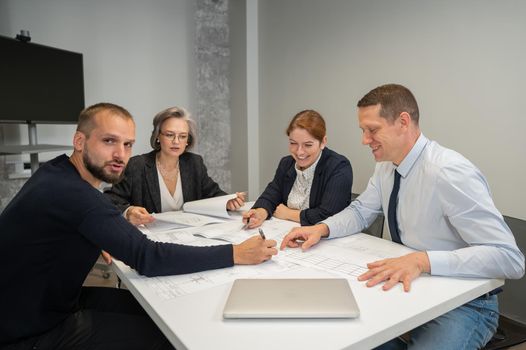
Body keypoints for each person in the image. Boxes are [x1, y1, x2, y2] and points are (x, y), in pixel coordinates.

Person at [0, 103, 277, 349]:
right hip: (29, 329)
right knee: (170, 333)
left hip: (47, 300)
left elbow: (62, 233)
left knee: (160, 310)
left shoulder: (55, 171)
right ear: (79, 141)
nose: (120, 154)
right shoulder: (80, 196)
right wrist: (236, 253)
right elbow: (148, 257)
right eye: (109, 141)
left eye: (128, 144)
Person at [281, 84, 525, 349]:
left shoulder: (448, 172)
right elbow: (361, 211)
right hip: (408, 289)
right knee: (336, 335)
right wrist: (322, 229)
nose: (364, 140)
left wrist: (423, 260)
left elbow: (510, 259)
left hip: (463, 304)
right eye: (363, 131)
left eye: (372, 130)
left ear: (403, 122)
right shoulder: (386, 166)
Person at [104, 106, 245, 226]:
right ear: (158, 136)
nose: (176, 141)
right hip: (150, 239)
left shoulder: (194, 163)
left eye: (182, 136)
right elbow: (111, 200)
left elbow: (213, 193)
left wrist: (227, 201)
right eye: (170, 135)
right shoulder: (137, 165)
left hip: (189, 236)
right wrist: (128, 212)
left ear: (188, 141)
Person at [242, 109, 353, 228]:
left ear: (323, 142)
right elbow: (271, 195)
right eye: (293, 143)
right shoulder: (287, 163)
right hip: (285, 231)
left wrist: (289, 214)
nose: (299, 152)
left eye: (308, 145)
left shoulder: (338, 167)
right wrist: (259, 213)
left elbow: (329, 214)